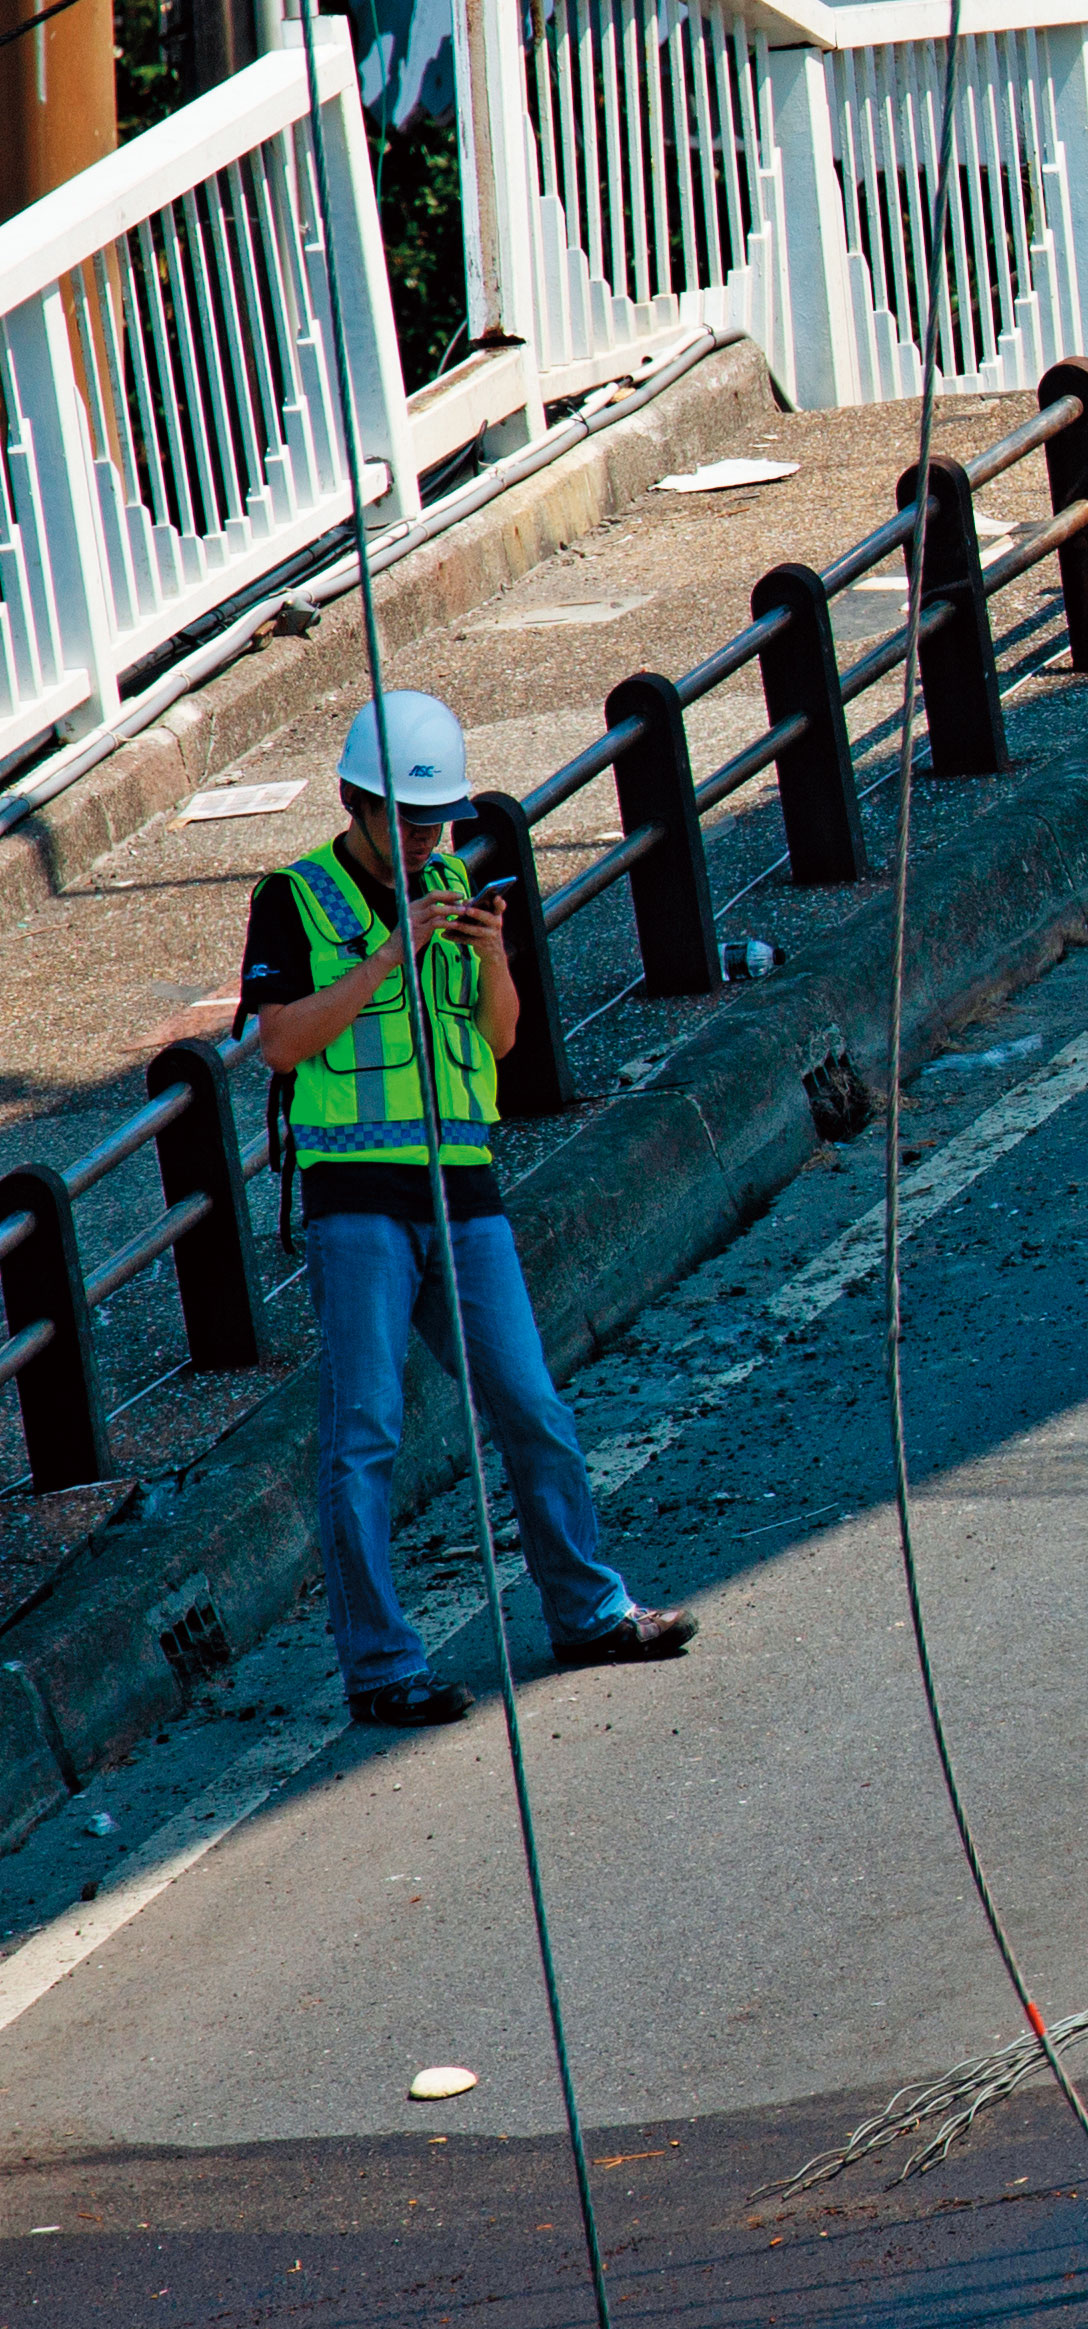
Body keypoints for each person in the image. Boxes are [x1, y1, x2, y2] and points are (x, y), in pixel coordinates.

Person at [246, 692, 692, 1728]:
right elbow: (279, 1043)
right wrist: (391, 953)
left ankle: (589, 1611)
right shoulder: (295, 897)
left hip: (465, 1189)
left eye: (437, 821)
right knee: (365, 1434)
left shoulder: (452, 882)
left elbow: (498, 1042)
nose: (427, 840)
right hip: (357, 1199)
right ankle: (380, 1668)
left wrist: (490, 957)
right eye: (408, 820)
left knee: (533, 1405)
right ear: (357, 803)